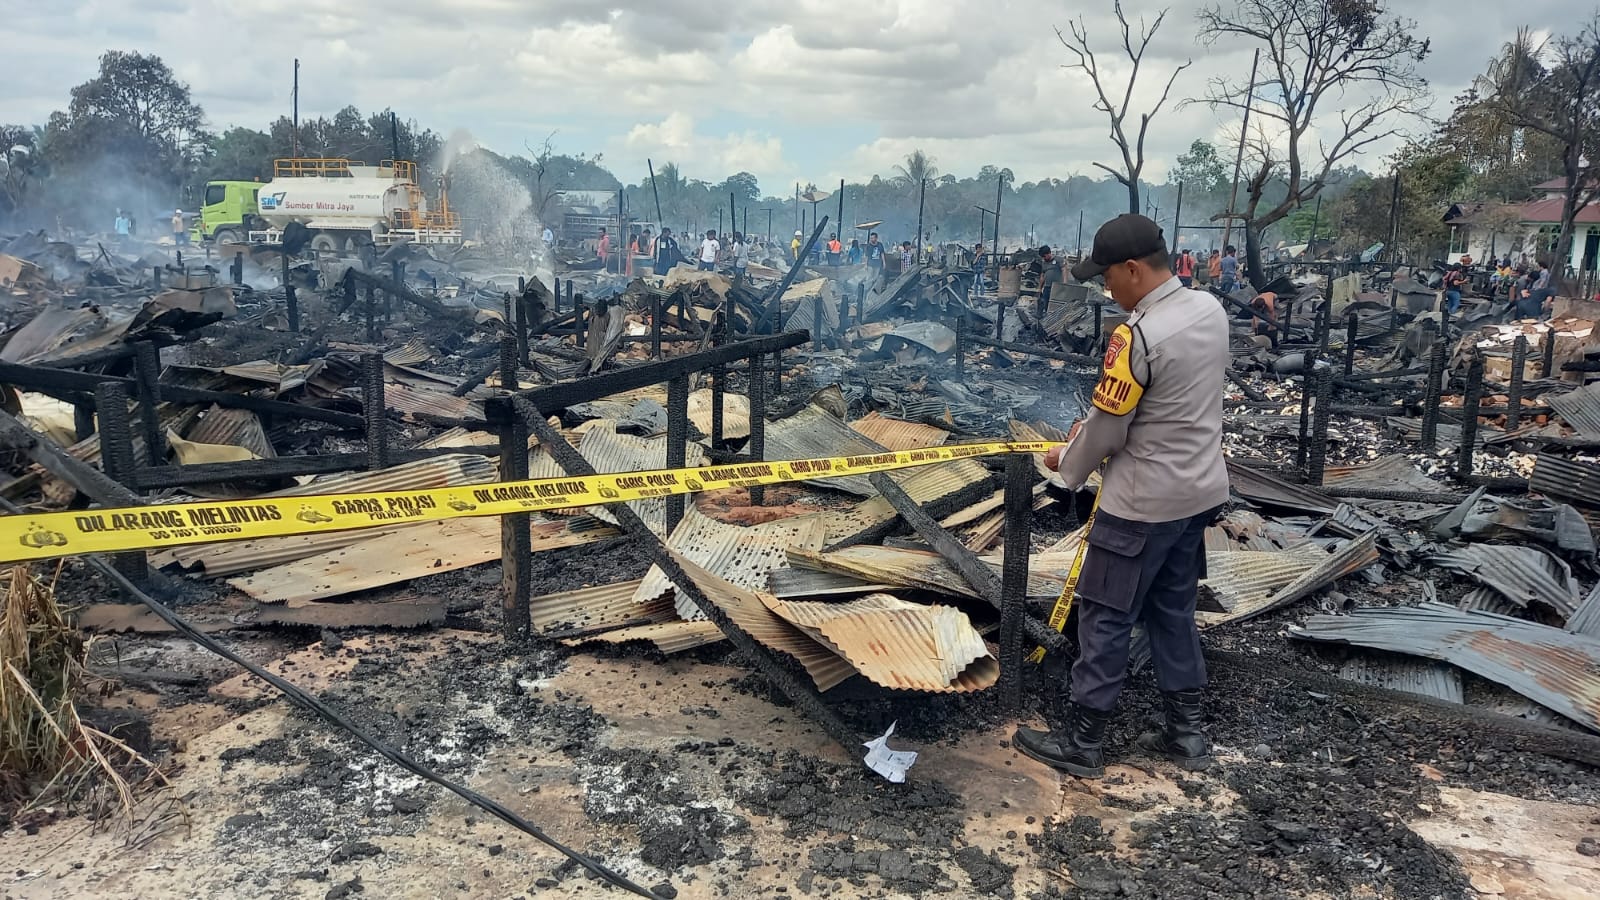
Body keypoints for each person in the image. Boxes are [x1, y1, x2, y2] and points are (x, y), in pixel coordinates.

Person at [1016, 213, 1229, 779]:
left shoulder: (1136, 336)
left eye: (1107, 275)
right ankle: (1186, 733)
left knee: (1106, 615)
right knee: (1173, 609)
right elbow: (1166, 408)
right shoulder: (1209, 311)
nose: (1103, 287)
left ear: (1133, 269)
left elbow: (1112, 430)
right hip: (1199, 492)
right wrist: (1092, 429)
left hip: (1141, 503)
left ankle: (1084, 742)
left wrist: (1069, 464)